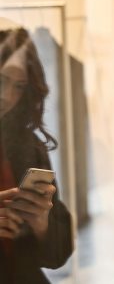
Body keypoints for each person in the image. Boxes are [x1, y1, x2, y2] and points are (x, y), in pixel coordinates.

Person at [0, 24, 73, 283]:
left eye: (19, 86)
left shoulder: (29, 145)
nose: (8, 96)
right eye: (2, 80)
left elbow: (56, 256)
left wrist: (41, 223)